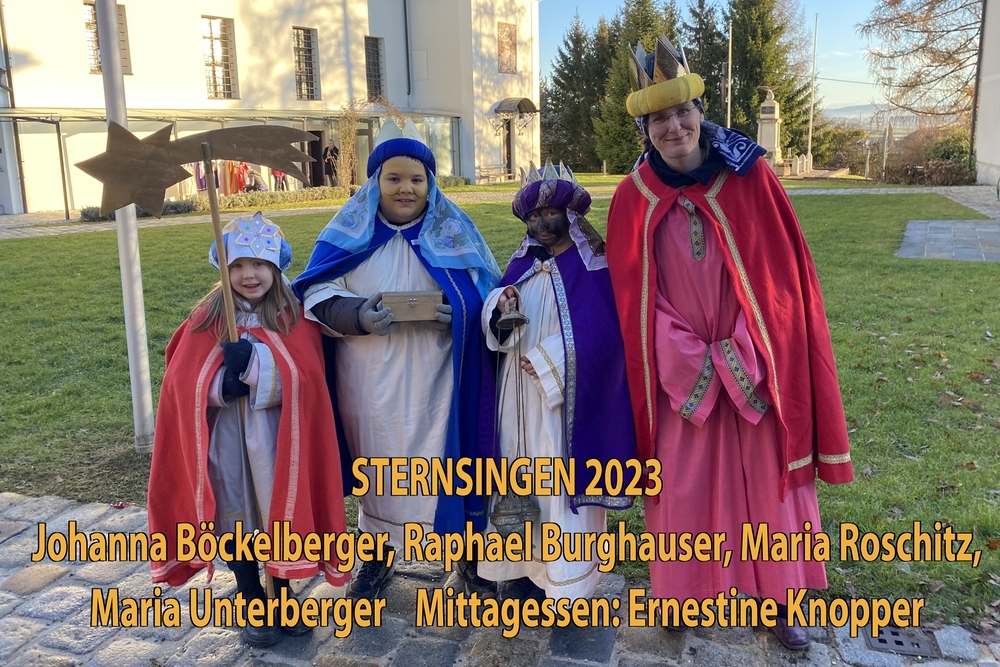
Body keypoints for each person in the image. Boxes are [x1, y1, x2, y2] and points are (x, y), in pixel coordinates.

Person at [605, 38, 853, 649]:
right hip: (678, 372)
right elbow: (633, 299)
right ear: (644, 130)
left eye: (681, 112)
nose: (673, 127)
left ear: (700, 111)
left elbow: (780, 280)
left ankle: (779, 600)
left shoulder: (751, 175)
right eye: (658, 119)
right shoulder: (633, 197)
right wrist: (688, 357)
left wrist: (743, 351)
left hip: (756, 359)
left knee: (767, 482)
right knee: (683, 486)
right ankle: (680, 593)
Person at [293, 119, 500, 600]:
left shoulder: (454, 235)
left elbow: (487, 292)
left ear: (430, 184)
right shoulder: (346, 236)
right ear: (375, 183)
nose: (406, 188)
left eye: (416, 179)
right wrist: (358, 315)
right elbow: (316, 291)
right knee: (379, 468)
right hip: (369, 381)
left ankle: (466, 558)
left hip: (438, 383)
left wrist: (457, 313)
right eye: (394, 178)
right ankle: (377, 556)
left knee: (448, 466)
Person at [147, 214, 349, 647]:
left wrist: (257, 367)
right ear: (222, 269)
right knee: (235, 514)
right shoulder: (207, 317)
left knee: (278, 513)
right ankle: (251, 593)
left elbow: (310, 378)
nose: (248, 274)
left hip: (278, 440)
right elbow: (180, 382)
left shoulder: (293, 315)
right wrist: (224, 385)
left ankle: (283, 594)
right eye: (236, 265)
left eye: (258, 264)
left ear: (275, 266)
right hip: (226, 440)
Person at [478, 161, 636, 601]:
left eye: (549, 213)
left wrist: (553, 361)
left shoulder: (596, 265)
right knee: (518, 474)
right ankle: (522, 572)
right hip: (517, 399)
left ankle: (565, 581)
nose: (541, 224)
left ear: (571, 214)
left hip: (564, 403)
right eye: (533, 217)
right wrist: (500, 303)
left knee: (557, 480)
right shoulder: (522, 262)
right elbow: (495, 315)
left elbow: (607, 334)